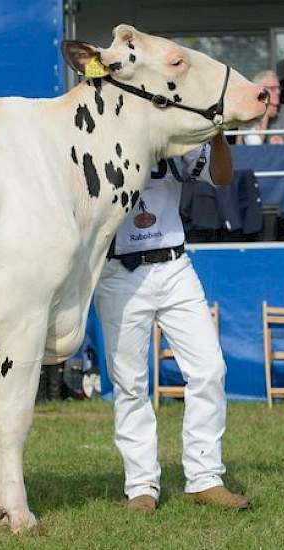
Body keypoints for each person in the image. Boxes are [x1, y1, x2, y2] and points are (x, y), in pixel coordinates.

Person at [97, 133, 249, 514]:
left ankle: (205, 478)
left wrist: (216, 134)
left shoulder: (172, 131)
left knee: (210, 369)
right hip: (119, 271)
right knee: (130, 383)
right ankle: (141, 485)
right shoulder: (97, 133)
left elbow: (223, 176)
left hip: (174, 265)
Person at [241, 70, 284, 145]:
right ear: (259, 92)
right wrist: (265, 116)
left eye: (278, 88)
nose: (278, 92)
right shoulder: (248, 114)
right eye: (272, 88)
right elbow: (254, 145)